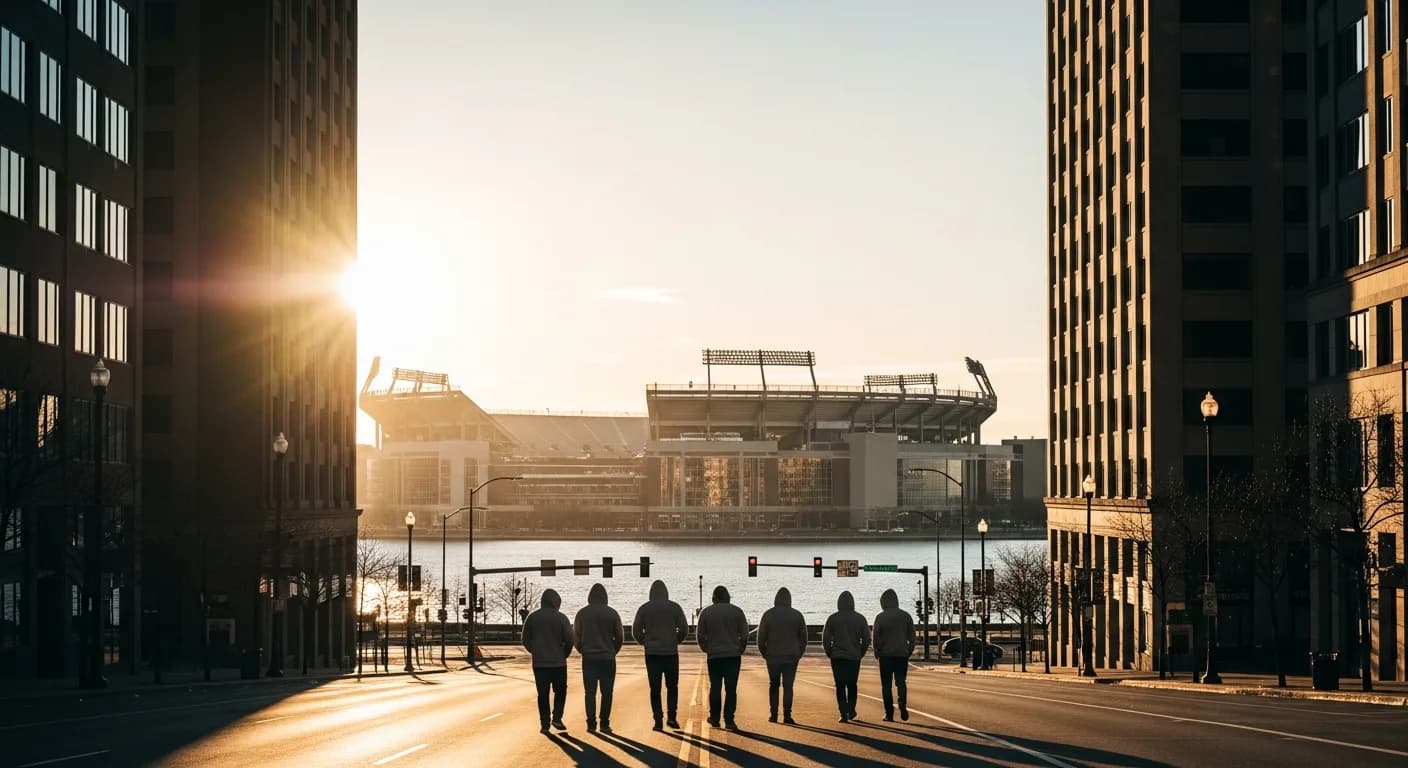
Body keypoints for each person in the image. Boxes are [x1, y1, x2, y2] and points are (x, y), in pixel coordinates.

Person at [632, 579, 689, 731]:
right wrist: (676, 640)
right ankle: (672, 717)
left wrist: (645, 642)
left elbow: (636, 631)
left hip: (652, 654)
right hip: (670, 652)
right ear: (666, 593)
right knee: (672, 687)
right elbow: (684, 629)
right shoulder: (674, 608)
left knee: (654, 688)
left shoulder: (644, 609)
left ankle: (657, 719)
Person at [573, 583, 624, 734]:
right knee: (607, 692)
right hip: (608, 659)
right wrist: (613, 651)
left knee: (590, 692)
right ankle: (605, 723)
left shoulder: (582, 614)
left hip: (589, 658)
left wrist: (582, 649)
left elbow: (576, 635)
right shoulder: (612, 613)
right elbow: (620, 636)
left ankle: (590, 723)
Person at [697, 584, 748, 731]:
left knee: (715, 687)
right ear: (727, 597)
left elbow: (700, 635)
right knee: (731, 689)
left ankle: (714, 717)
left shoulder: (706, 612)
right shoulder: (737, 612)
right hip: (732, 655)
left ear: (714, 598)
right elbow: (744, 634)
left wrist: (706, 648)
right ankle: (729, 720)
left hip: (714, 656)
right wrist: (741, 648)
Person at [523, 589, 574, 733]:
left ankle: (544, 723)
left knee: (542, 694)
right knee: (560, 691)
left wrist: (535, 651)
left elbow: (525, 639)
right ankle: (557, 717)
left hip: (539, 663)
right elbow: (570, 640)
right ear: (556, 602)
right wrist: (565, 654)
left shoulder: (532, 617)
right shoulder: (561, 618)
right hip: (558, 662)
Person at [757, 587, 807, 725]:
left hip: (773, 656)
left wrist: (764, 653)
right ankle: (787, 714)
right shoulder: (797, 615)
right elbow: (804, 638)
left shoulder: (768, 615)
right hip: (791, 656)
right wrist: (799, 653)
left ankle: (773, 714)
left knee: (773, 685)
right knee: (788, 686)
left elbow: (761, 638)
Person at [822, 590, 869, 723]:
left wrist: (829, 652)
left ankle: (843, 713)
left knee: (840, 686)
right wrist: (861, 652)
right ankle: (851, 710)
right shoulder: (860, 618)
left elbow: (826, 638)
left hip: (837, 657)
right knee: (852, 684)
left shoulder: (833, 618)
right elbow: (866, 638)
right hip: (854, 657)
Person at [872, 588, 916, 722]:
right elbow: (912, 636)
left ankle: (889, 713)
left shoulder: (880, 617)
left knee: (886, 686)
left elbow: (876, 637)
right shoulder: (905, 616)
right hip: (901, 655)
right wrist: (908, 650)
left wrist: (876, 651)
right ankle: (902, 705)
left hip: (885, 656)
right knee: (901, 683)